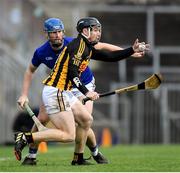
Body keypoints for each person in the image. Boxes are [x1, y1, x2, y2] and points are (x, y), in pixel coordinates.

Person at [15, 17, 149, 165]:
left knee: (86, 120)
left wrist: (131, 50)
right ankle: (25, 138)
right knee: (68, 135)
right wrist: (87, 92)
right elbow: (73, 73)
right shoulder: (77, 47)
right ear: (85, 31)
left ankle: (79, 158)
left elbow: (108, 56)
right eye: (95, 30)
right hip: (57, 91)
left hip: (65, 90)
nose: (98, 33)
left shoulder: (84, 45)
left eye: (99, 30)